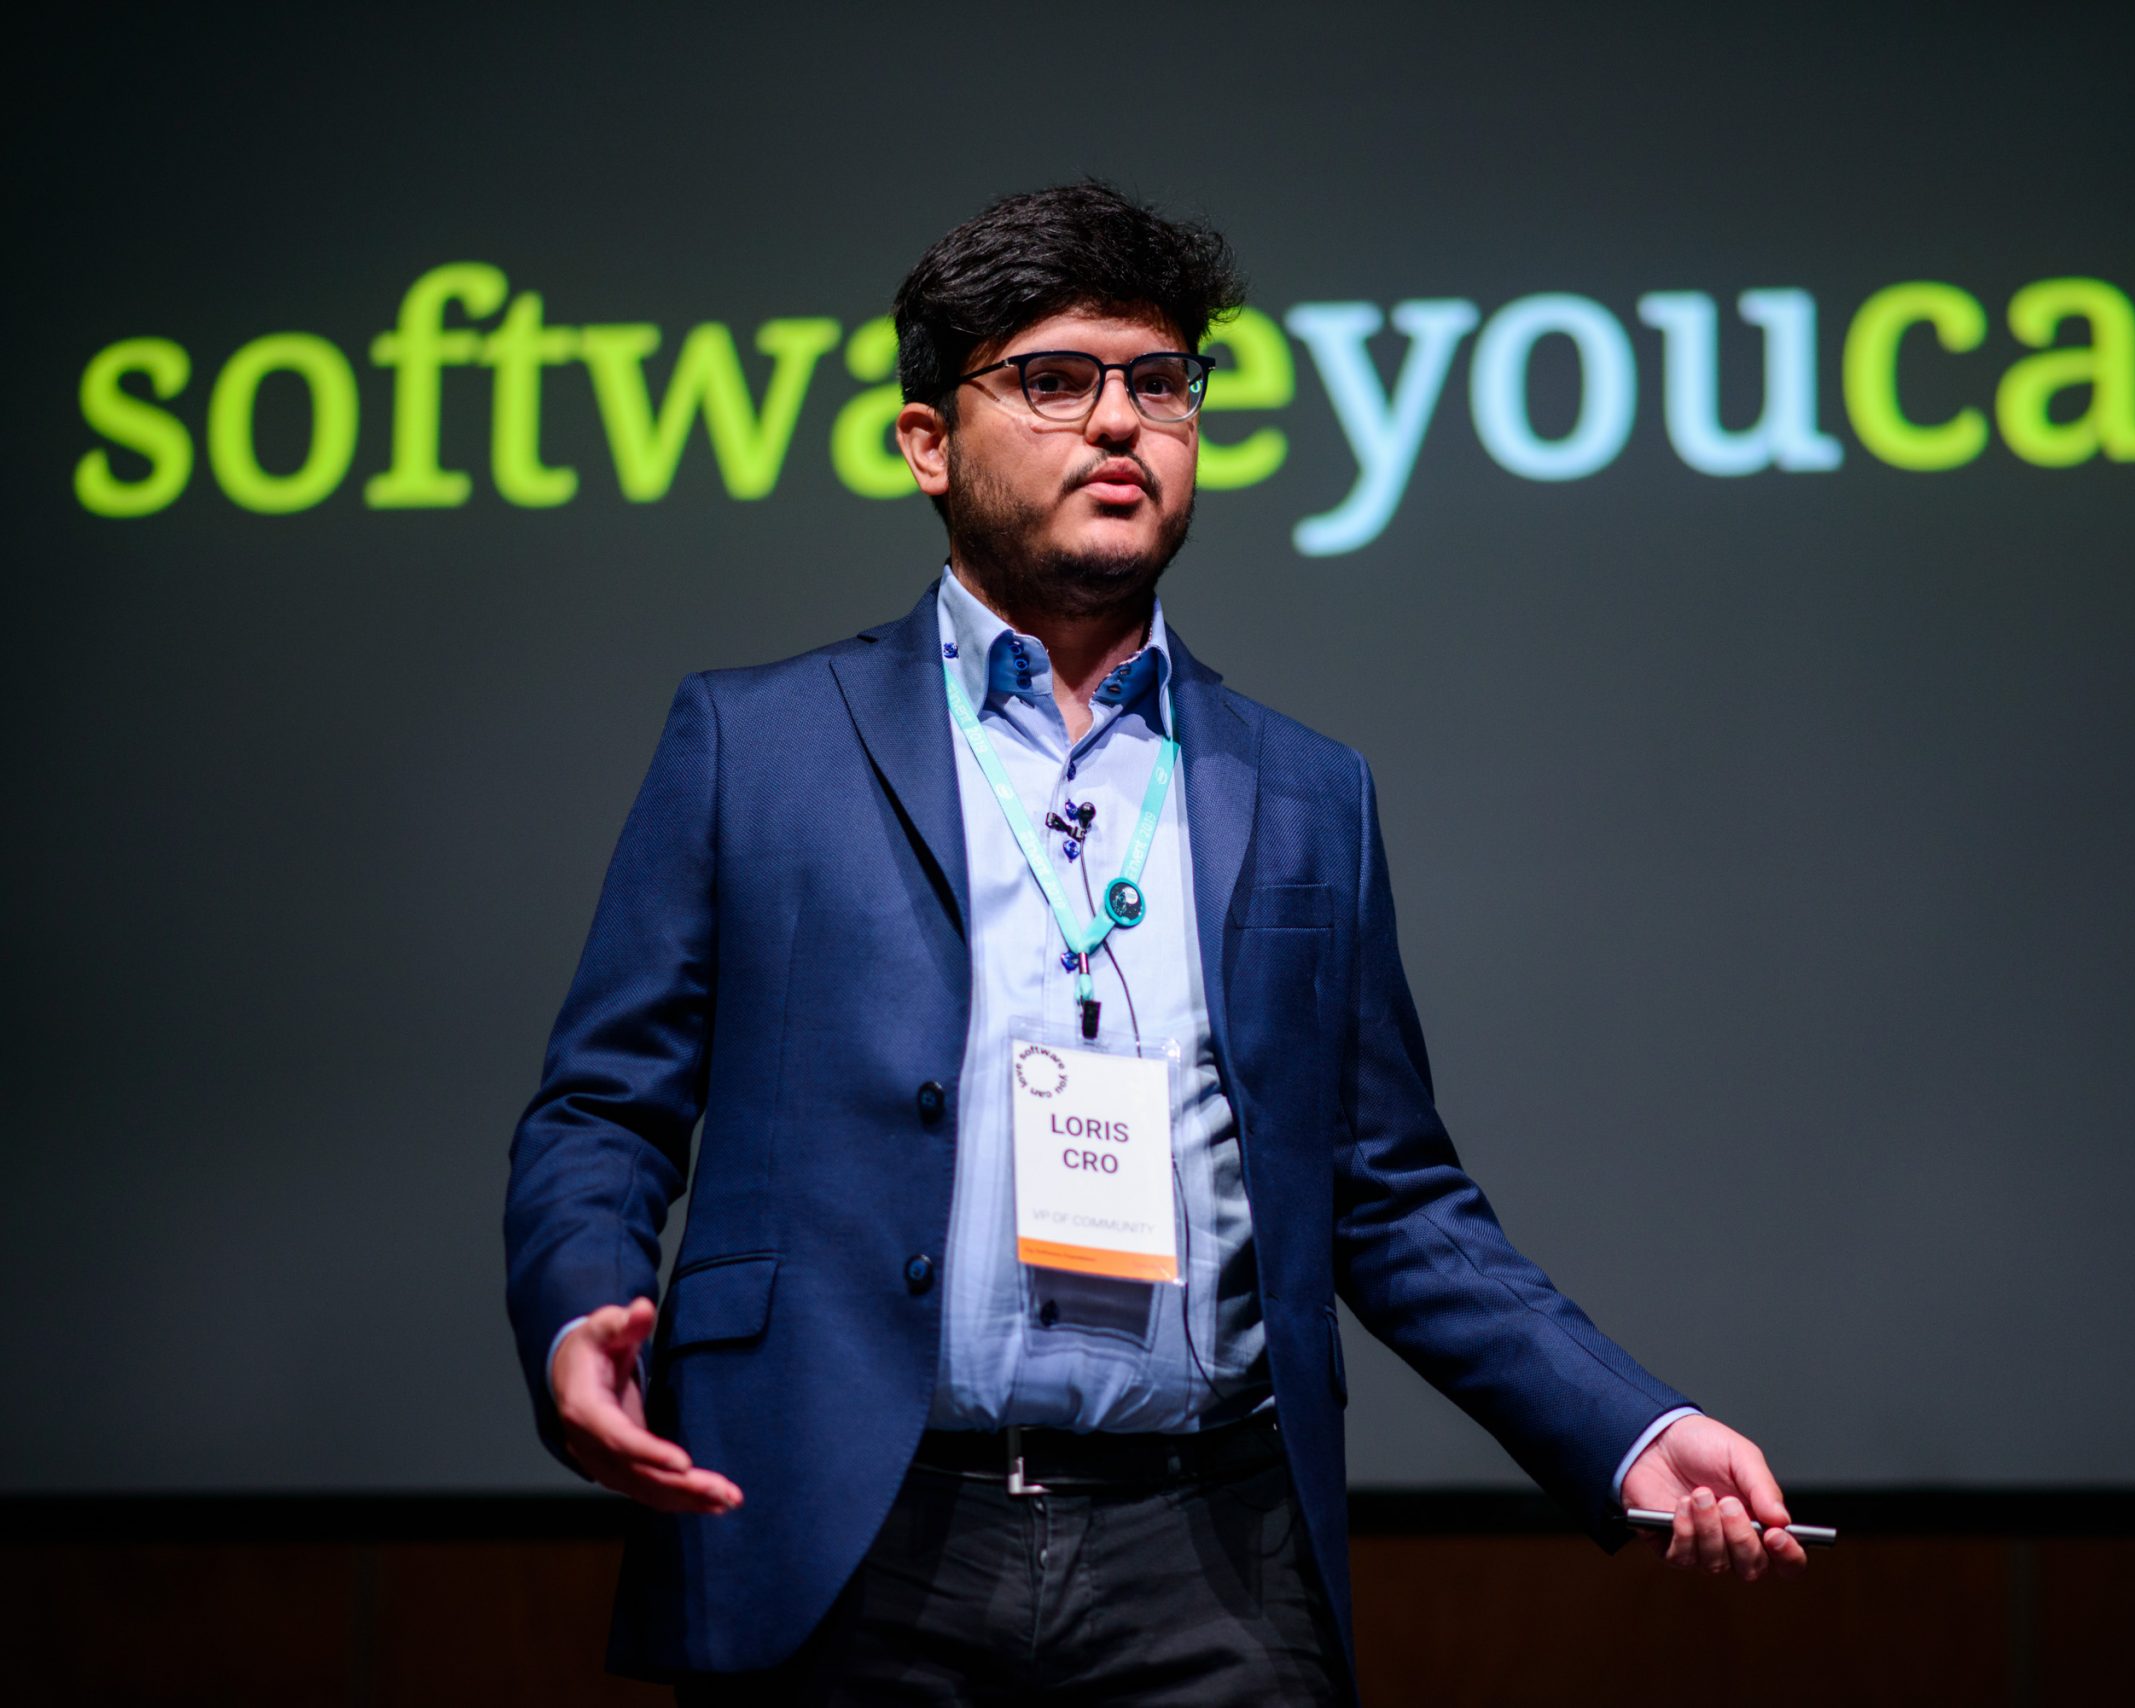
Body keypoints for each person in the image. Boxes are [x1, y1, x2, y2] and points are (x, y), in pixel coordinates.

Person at [503, 182, 1805, 1704]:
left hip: (1209, 1562)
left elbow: (1389, 1196)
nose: (1122, 421)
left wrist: (1628, 1426)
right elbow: (604, 1106)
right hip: (844, 1533)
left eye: (1163, 383)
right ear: (927, 441)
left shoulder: (1304, 788)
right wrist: (580, 1308)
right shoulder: (758, 743)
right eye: (1056, 380)